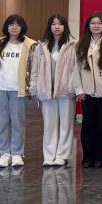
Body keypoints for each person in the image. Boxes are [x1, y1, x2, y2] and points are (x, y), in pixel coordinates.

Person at [0, 14, 36, 168]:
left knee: (18, 122)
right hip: (0, 88)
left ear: (22, 27)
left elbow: (33, 67)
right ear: (6, 27)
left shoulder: (30, 45)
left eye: (17, 25)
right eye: (11, 24)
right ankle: (3, 153)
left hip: (18, 90)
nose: (14, 27)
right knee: (1, 123)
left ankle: (17, 153)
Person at [29, 14, 78, 168]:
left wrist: (74, 88)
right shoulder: (41, 46)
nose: (57, 27)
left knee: (66, 124)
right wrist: (34, 89)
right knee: (49, 125)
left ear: (65, 26)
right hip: (46, 91)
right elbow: (34, 69)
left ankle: (62, 155)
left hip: (66, 91)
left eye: (60, 24)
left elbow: (77, 69)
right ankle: (49, 155)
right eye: (53, 24)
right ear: (49, 27)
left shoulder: (73, 45)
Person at [73, 12, 102, 169]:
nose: (96, 26)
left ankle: (101, 157)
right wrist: (78, 89)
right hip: (87, 92)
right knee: (87, 126)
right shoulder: (81, 44)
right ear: (88, 26)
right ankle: (88, 157)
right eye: (93, 23)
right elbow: (76, 68)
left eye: (99, 23)